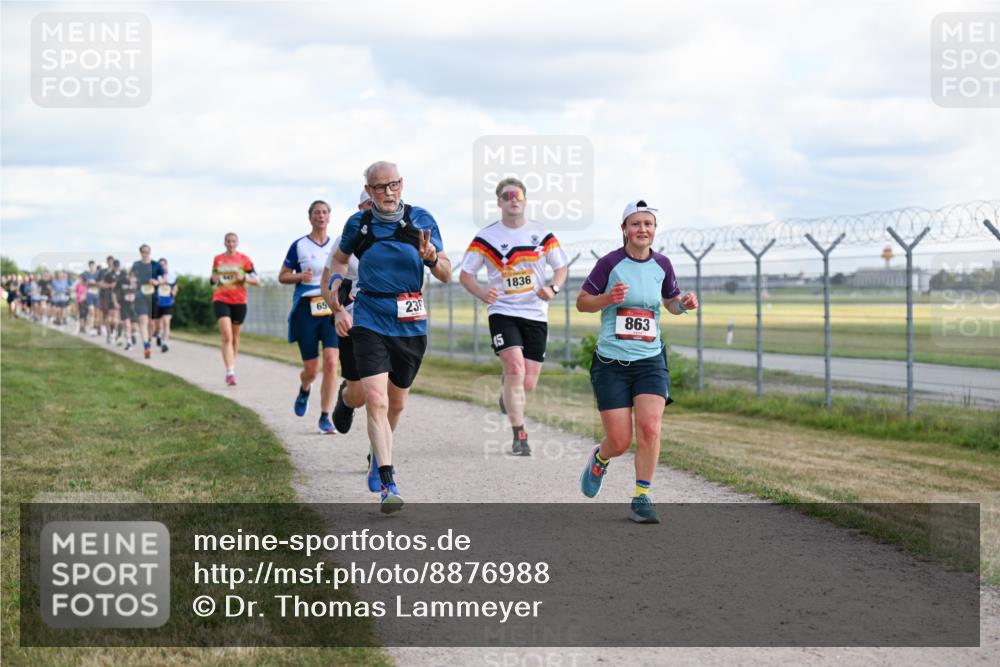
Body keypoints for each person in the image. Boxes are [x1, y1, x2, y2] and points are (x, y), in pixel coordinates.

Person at [327, 161, 451, 513]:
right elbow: (338, 260)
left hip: (411, 320)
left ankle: (374, 456)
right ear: (368, 191)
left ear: (402, 184)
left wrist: (430, 258)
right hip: (370, 317)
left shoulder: (422, 219)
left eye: (393, 184)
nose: (387, 192)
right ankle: (387, 481)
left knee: (396, 404)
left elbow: (445, 272)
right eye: (379, 187)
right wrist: (336, 284)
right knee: (376, 400)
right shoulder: (359, 224)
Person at [576, 199, 699, 524]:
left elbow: (670, 303)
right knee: (619, 441)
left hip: (650, 360)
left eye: (648, 224)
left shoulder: (663, 265)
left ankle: (642, 496)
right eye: (636, 224)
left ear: (654, 230)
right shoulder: (610, 263)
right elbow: (582, 303)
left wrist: (683, 304)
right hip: (611, 363)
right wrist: (607, 299)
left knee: (650, 427)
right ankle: (600, 459)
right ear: (624, 229)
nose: (642, 229)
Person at [460, 177, 569, 456]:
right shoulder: (486, 238)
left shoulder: (542, 234)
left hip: (535, 312)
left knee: (527, 382)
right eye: (507, 196)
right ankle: (520, 436)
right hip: (503, 311)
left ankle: (506, 394)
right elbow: (465, 274)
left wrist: (553, 287)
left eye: (518, 195)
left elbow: (561, 267)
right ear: (499, 202)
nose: (513, 200)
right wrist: (483, 294)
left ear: (525, 200)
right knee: (515, 369)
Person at [279, 201, 339, 433]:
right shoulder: (300, 246)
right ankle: (305, 387)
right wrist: (299, 277)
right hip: (307, 309)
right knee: (312, 369)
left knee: (332, 362)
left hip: (330, 308)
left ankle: (325, 416)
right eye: (317, 212)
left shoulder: (337, 245)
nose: (321, 216)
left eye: (324, 212)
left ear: (329, 217)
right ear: (310, 217)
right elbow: (282, 276)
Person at [321, 191, 370, 439]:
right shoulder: (346, 239)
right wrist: (338, 311)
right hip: (352, 320)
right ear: (360, 207)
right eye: (368, 204)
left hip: (388, 321)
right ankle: (347, 397)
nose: (374, 208)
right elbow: (326, 282)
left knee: (388, 394)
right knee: (360, 394)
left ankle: (379, 458)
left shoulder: (399, 238)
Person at [210, 232, 259, 385]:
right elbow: (213, 279)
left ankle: (231, 363)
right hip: (221, 299)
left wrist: (243, 278)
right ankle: (230, 371)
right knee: (227, 336)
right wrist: (213, 279)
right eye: (228, 241)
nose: (230, 244)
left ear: (237, 243)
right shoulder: (218, 259)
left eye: (233, 241)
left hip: (239, 301)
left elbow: (256, 280)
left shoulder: (244, 259)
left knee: (235, 338)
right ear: (224, 243)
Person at [131, 244, 164, 359]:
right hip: (140, 295)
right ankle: (146, 346)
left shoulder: (156, 265)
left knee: (152, 323)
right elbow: (132, 278)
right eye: (143, 252)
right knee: (143, 321)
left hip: (153, 296)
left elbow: (164, 277)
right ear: (140, 253)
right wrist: (133, 285)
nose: (145, 254)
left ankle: (148, 340)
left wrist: (157, 282)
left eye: (147, 252)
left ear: (150, 252)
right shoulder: (136, 265)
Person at [156, 258, 178, 352]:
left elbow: (175, 287)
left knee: (166, 322)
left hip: (168, 302)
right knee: (158, 324)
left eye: (163, 264)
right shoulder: (155, 276)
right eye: (160, 265)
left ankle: (165, 343)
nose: (162, 266)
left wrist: (174, 292)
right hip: (157, 302)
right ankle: (159, 335)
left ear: (166, 265)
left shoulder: (171, 276)